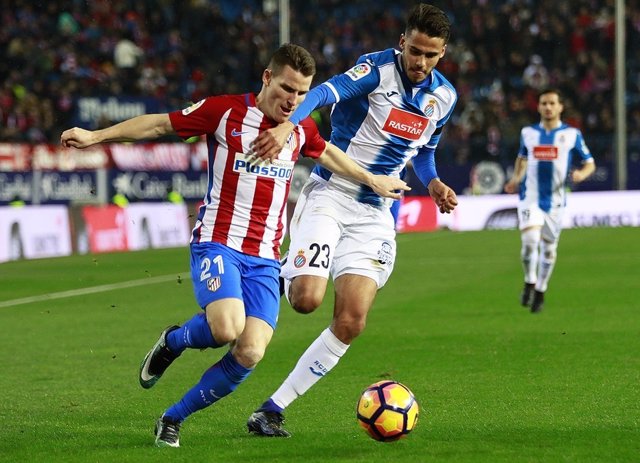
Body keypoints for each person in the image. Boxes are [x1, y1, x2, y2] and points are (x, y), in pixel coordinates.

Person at [60, 43, 408, 448]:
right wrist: (96, 136)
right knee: (227, 326)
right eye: (286, 89)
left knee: (251, 352)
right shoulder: (226, 112)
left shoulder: (299, 129)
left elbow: (327, 152)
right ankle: (173, 342)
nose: (292, 100)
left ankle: (172, 418)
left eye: (301, 93)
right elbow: (159, 125)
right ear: (267, 78)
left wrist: (371, 179)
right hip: (218, 242)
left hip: (264, 257)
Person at [246, 4, 458, 437]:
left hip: (377, 214)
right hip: (332, 194)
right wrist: (290, 126)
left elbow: (426, 152)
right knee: (305, 300)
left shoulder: (445, 98)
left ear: (443, 53)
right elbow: (324, 93)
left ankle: (272, 409)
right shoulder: (376, 71)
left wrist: (434, 183)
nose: (420, 62)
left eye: (430, 55)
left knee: (351, 321)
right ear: (402, 42)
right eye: (414, 51)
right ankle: (283, 266)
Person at [504, 88, 595, 313]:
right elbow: (522, 158)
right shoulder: (528, 133)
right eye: (544, 103)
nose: (548, 107)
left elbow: (589, 163)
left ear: (560, 107)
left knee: (549, 250)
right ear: (538, 107)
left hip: (555, 201)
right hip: (530, 197)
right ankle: (529, 281)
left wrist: (581, 174)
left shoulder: (572, 135)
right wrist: (516, 178)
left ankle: (541, 290)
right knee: (530, 242)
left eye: (552, 103)